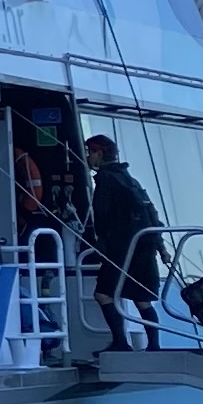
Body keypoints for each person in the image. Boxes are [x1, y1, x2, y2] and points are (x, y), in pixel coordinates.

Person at [78, 134, 162, 347]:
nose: (88, 158)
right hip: (144, 246)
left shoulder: (106, 180)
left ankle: (120, 342)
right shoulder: (130, 179)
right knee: (142, 299)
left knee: (103, 294)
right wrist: (161, 247)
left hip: (121, 249)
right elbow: (151, 212)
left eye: (90, 153)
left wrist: (100, 244)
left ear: (98, 154)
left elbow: (103, 216)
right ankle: (154, 345)